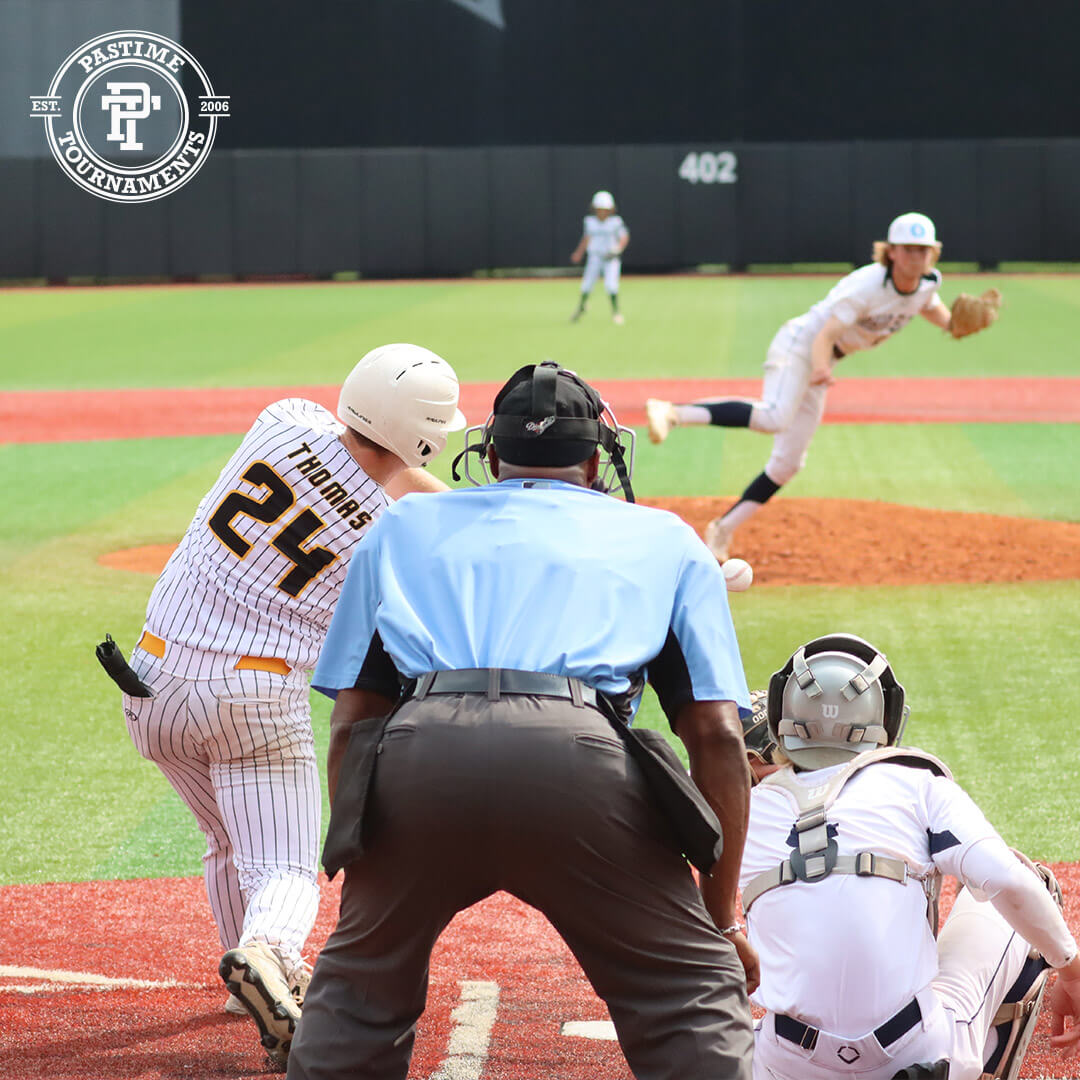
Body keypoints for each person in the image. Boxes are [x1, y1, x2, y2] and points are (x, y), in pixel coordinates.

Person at [287, 361, 757, 1080]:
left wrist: (369, 869)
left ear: (491, 454)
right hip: (578, 761)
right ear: (596, 461)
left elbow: (353, 721)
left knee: (356, 995)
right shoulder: (667, 538)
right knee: (689, 997)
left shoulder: (403, 523)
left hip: (420, 758)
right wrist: (720, 920)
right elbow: (718, 738)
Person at [105, 344, 465, 1066]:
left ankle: (247, 976)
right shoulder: (392, 529)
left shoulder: (282, 420)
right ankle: (268, 951)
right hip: (252, 699)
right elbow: (417, 504)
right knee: (286, 869)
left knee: (225, 841)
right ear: (423, 437)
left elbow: (359, 453)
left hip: (150, 684)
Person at [737, 632, 1080, 1080]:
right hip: (913, 1058)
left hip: (784, 1066)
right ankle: (980, 1060)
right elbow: (1008, 881)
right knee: (1028, 882)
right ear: (887, 718)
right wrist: (1072, 972)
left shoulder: (742, 811)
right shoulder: (915, 784)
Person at [645, 212, 958, 560]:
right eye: (908, 249)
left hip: (824, 360)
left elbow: (931, 308)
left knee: (788, 464)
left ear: (933, 253)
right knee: (775, 417)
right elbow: (825, 334)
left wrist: (957, 325)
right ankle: (673, 412)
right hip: (801, 347)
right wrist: (821, 368)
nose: (916, 256)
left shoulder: (929, 283)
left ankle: (722, 529)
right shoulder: (866, 286)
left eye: (922, 250)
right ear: (891, 251)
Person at [570, 189, 630, 324]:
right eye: (600, 209)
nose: (602, 212)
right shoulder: (590, 221)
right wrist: (579, 253)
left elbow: (624, 237)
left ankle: (616, 312)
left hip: (611, 258)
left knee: (611, 286)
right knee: (586, 285)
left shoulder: (615, 222)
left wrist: (618, 248)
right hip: (595, 257)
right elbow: (586, 238)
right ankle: (581, 308)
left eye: (605, 209)